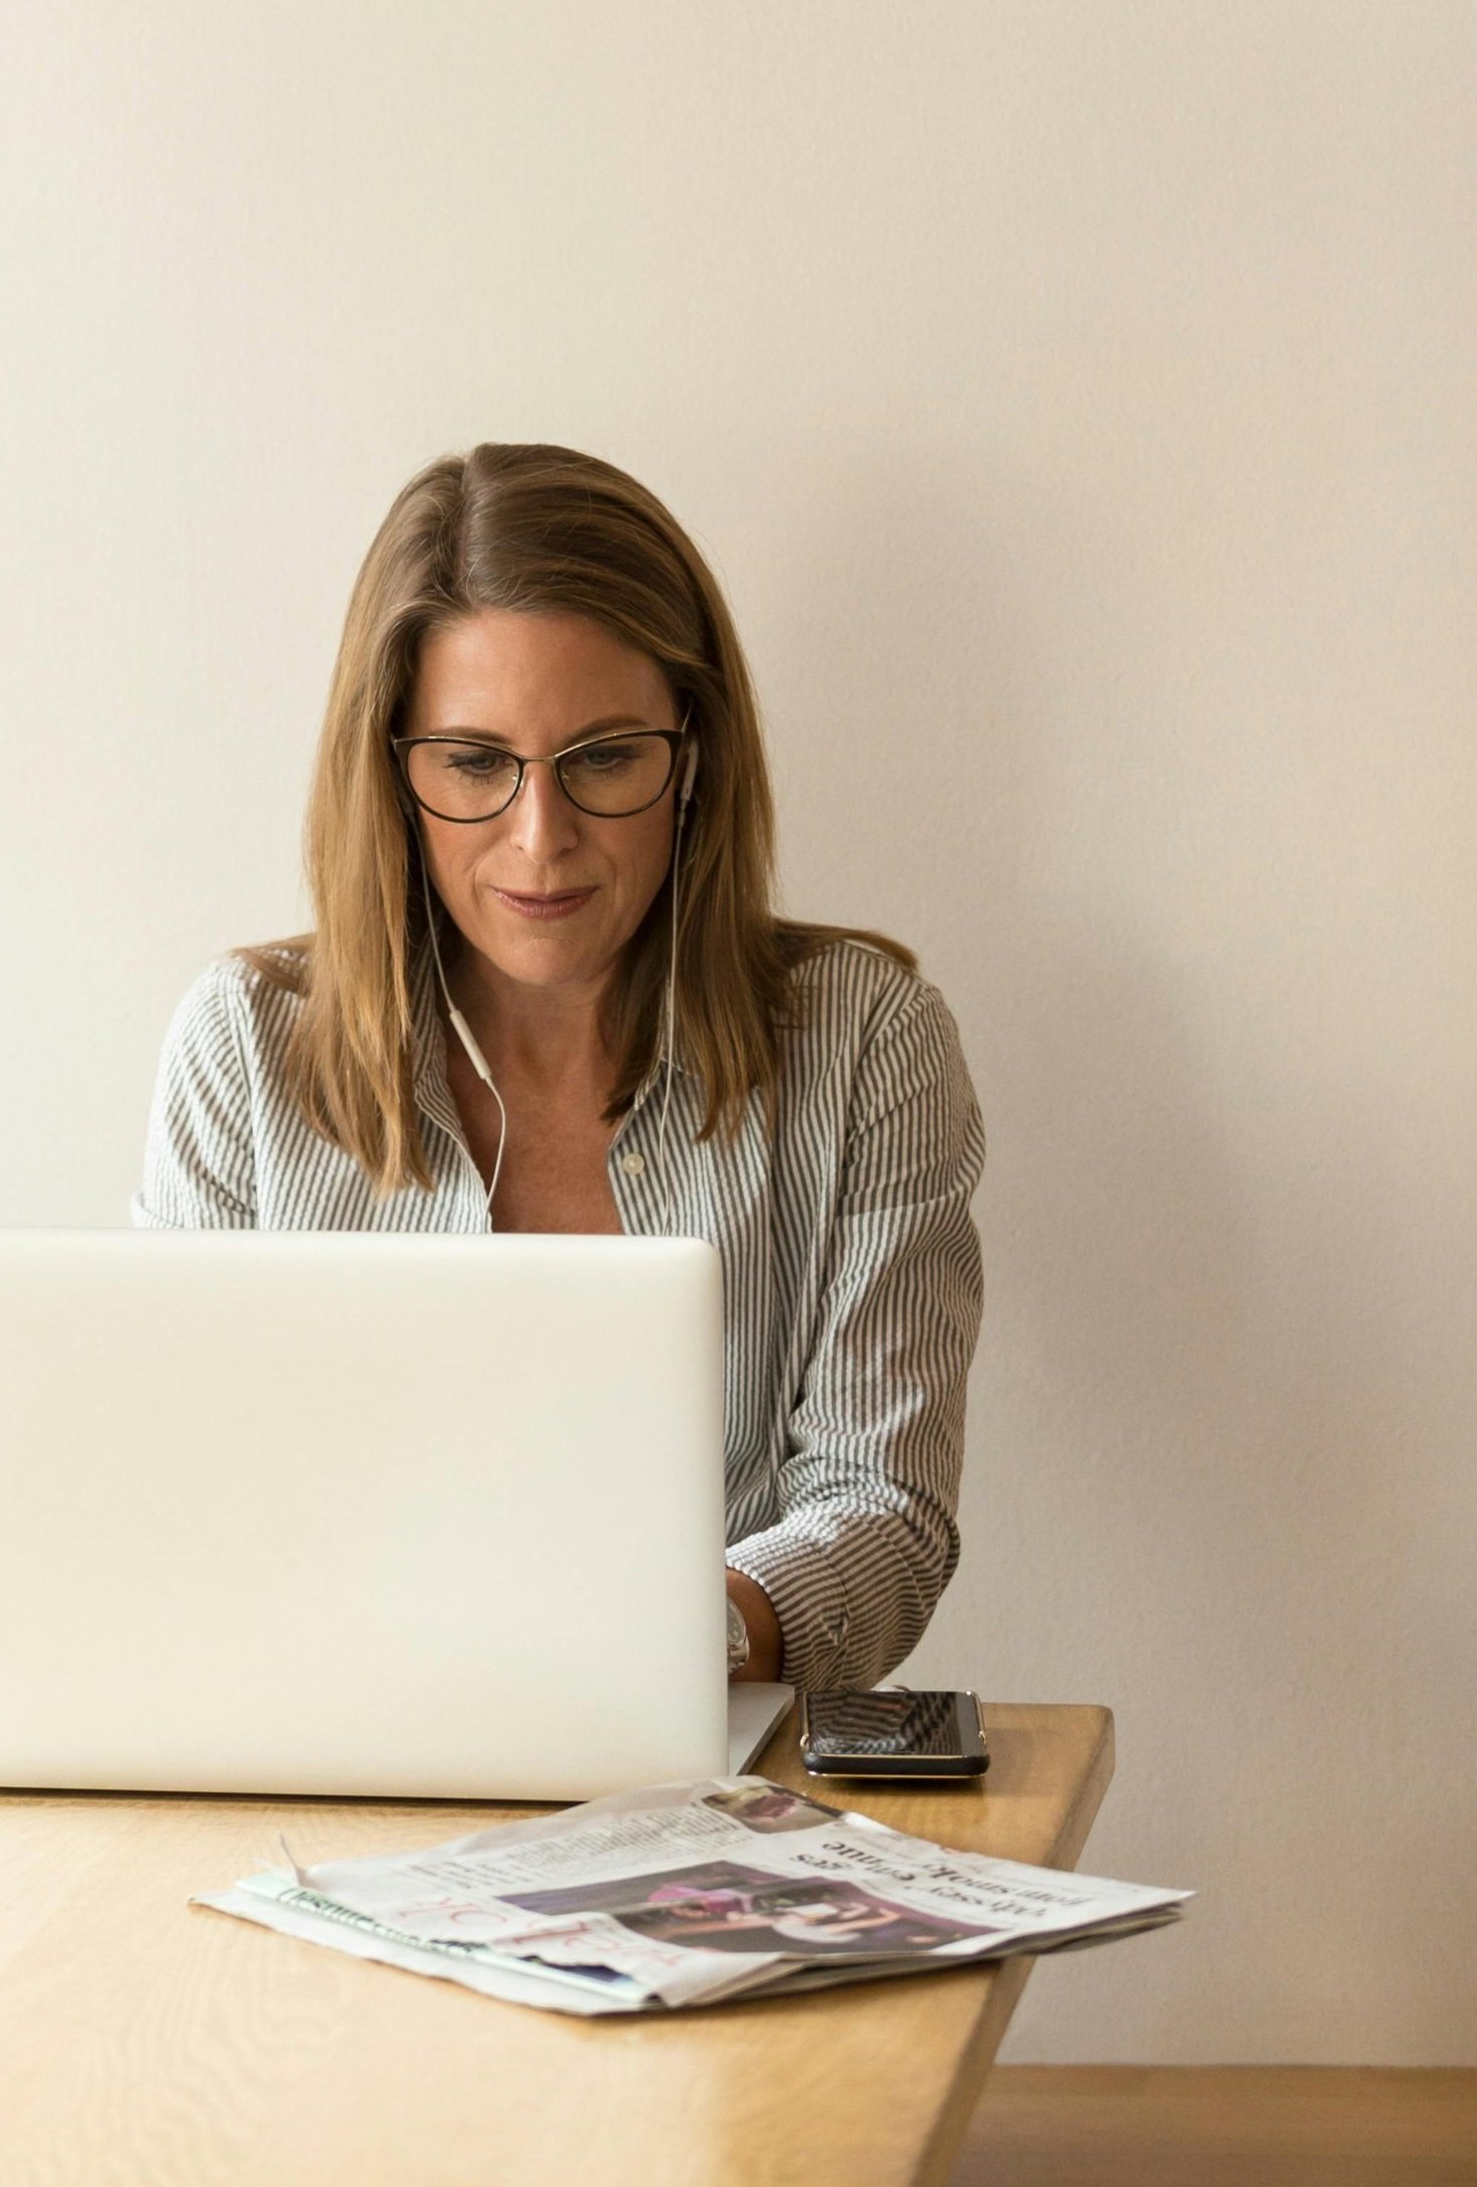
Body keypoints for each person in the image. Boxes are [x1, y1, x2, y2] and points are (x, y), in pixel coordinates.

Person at [139, 442, 984, 1694]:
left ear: (691, 754)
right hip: (323, 1757)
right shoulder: (244, 1048)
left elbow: (883, 1512)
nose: (542, 841)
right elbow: (179, 1506)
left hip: (707, 1781)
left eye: (602, 758)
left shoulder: (864, 1043)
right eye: (475, 764)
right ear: (392, 770)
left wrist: (647, 1651)